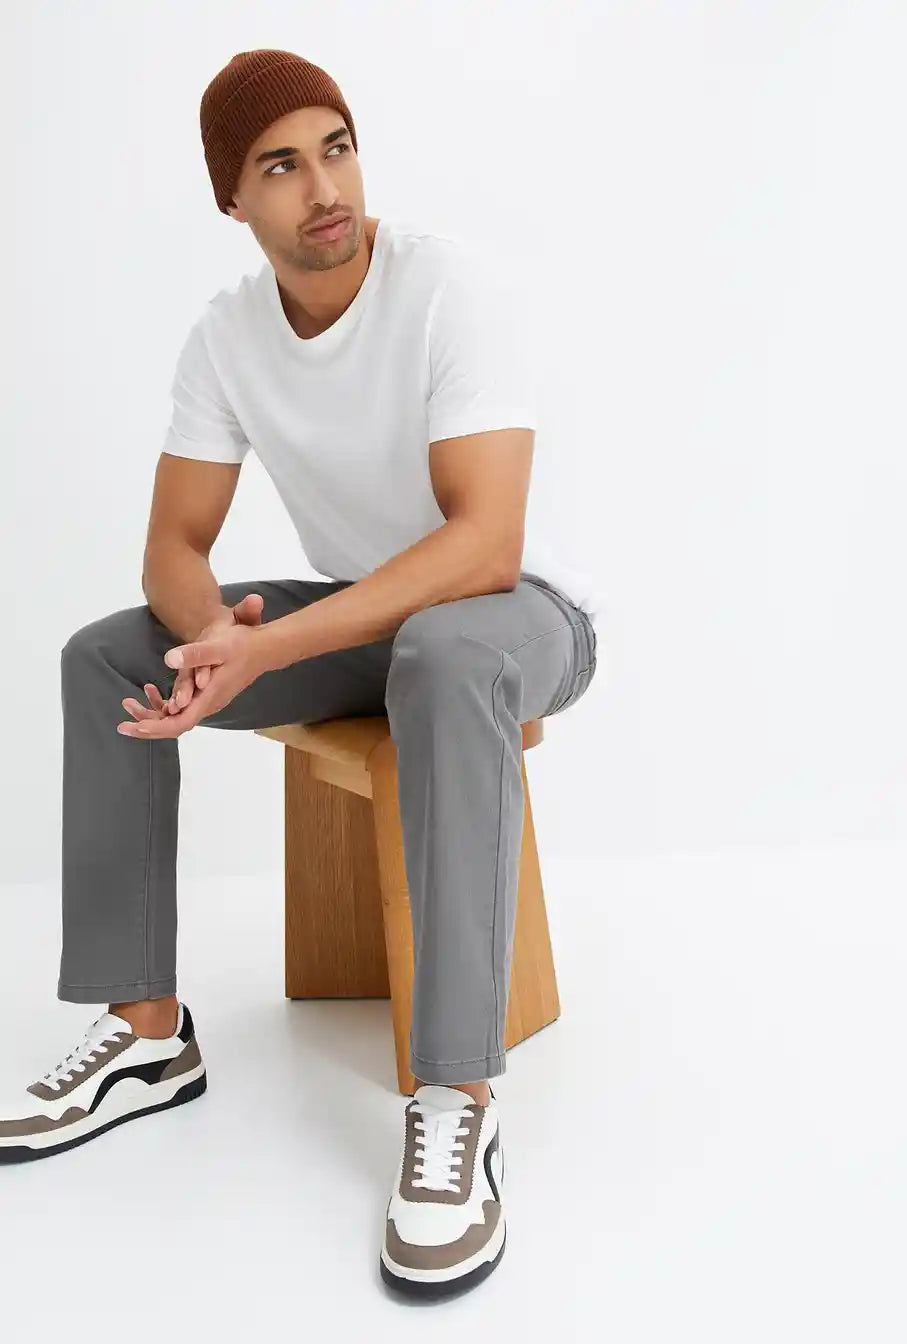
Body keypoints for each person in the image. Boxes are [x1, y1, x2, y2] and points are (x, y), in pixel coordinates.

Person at [0, 49, 602, 1298]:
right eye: (281, 166)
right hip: (371, 622)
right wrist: (211, 639)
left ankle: (456, 1098)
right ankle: (145, 1036)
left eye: (337, 148)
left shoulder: (445, 290)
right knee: (110, 655)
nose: (324, 187)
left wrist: (267, 646)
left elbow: (484, 547)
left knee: (442, 649)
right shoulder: (226, 338)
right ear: (234, 199)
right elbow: (174, 549)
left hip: (513, 618)